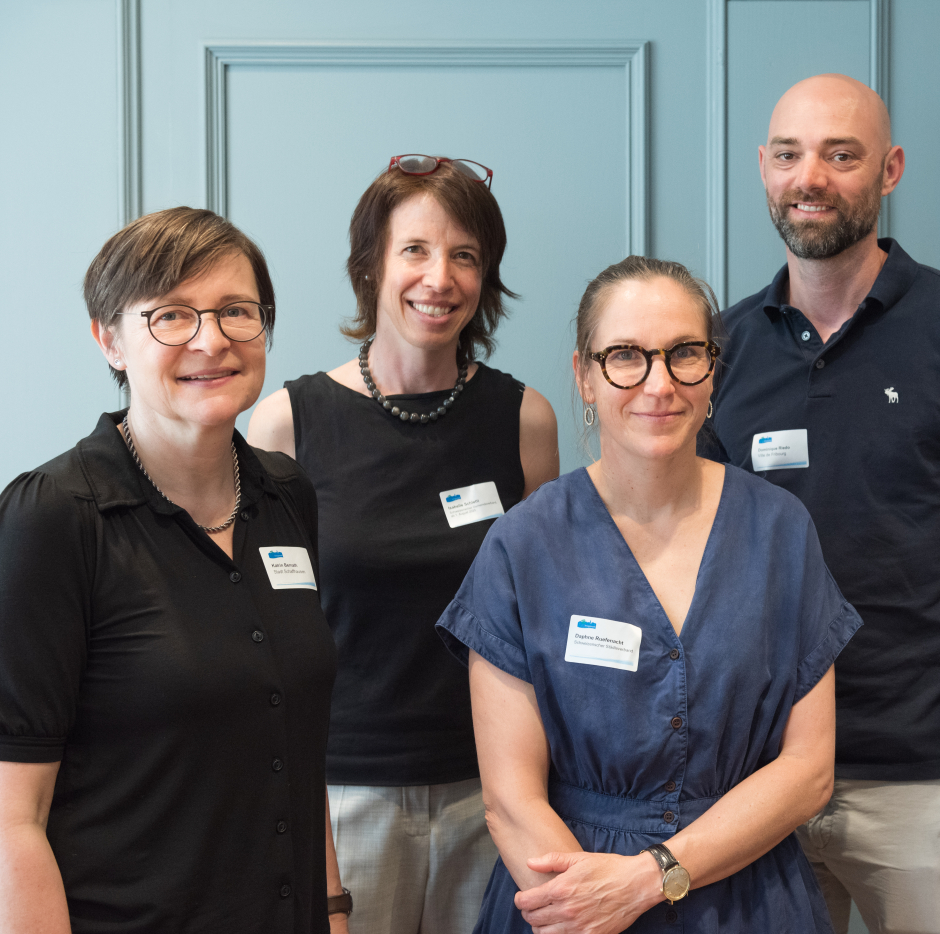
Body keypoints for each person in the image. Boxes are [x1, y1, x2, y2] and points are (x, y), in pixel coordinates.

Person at [701, 73, 940, 932]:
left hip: (925, 779)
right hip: (755, 780)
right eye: (789, 154)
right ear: (763, 168)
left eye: (842, 154)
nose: (810, 177)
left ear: (891, 169)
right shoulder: (716, 347)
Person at [434, 256, 862, 933]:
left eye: (684, 354)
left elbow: (808, 771)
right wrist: (586, 909)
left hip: (743, 894)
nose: (659, 384)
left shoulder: (780, 531)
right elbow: (510, 799)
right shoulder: (523, 547)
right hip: (565, 889)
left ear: (711, 368)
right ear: (583, 375)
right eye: (626, 356)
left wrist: (650, 876)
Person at [0, 207, 347, 933]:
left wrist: (335, 913)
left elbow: (296, 748)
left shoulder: (287, 496)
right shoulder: (55, 518)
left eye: (236, 312)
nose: (211, 340)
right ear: (110, 339)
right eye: (171, 316)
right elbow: (11, 819)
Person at [249, 155, 558, 933]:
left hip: (491, 787)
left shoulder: (525, 420)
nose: (440, 277)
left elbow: (544, 613)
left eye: (465, 255)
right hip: (343, 792)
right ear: (370, 266)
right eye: (414, 250)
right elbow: (266, 633)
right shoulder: (288, 423)